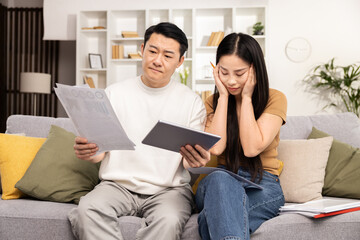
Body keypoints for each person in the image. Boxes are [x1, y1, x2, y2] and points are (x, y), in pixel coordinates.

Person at [68, 22, 210, 240]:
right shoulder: (114, 94)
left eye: (167, 55)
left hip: (169, 191)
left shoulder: (192, 102)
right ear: (142, 50)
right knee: (87, 209)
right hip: (116, 186)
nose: (157, 60)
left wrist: (197, 160)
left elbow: (189, 164)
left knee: (169, 221)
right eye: (152, 51)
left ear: (180, 61)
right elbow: (99, 154)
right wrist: (89, 152)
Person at [195, 32, 287, 240]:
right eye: (224, 73)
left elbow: (251, 148)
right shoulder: (213, 101)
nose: (231, 80)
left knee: (209, 219)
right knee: (219, 178)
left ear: (255, 69)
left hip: (263, 184)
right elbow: (216, 148)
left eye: (239, 73)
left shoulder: (275, 98)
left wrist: (246, 99)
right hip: (220, 183)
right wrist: (224, 97)